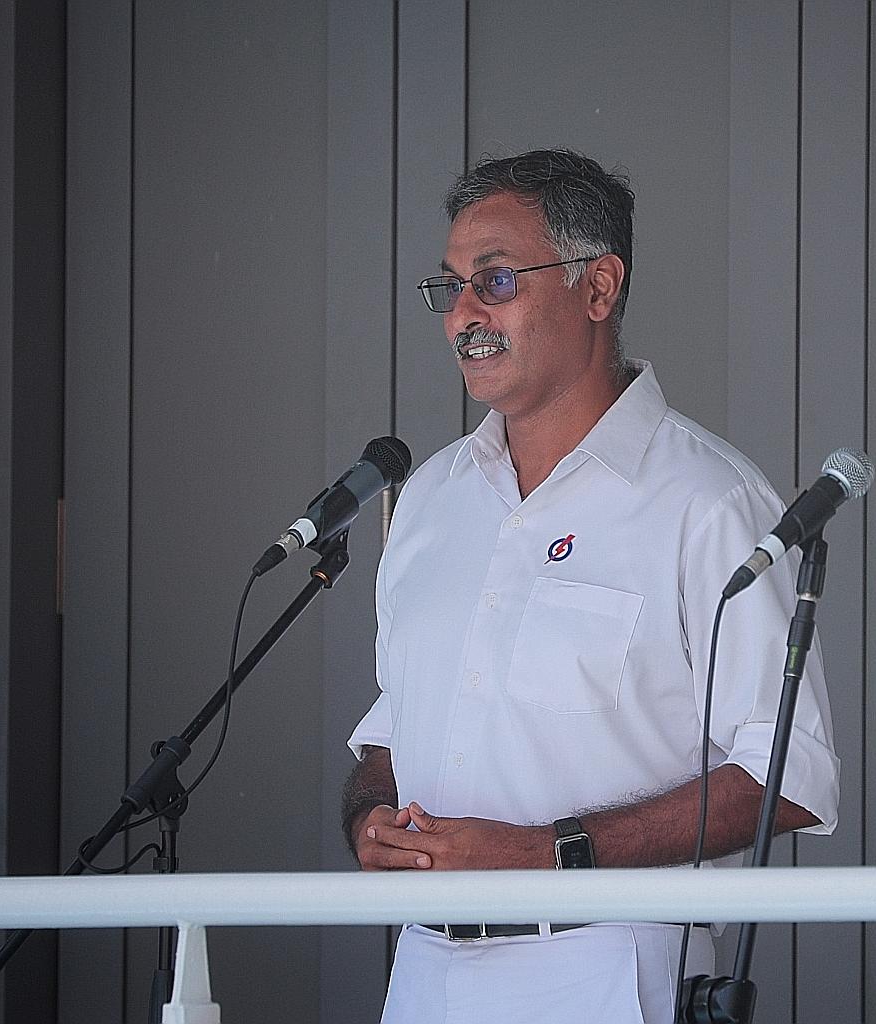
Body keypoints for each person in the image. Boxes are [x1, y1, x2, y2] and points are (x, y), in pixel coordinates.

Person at [340, 149, 841, 1024]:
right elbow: (392, 727)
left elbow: (788, 777)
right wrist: (371, 817)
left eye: (494, 281)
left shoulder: (707, 500)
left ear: (599, 288)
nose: (462, 316)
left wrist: (545, 854)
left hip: (606, 968)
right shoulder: (428, 501)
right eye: (448, 286)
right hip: (419, 968)